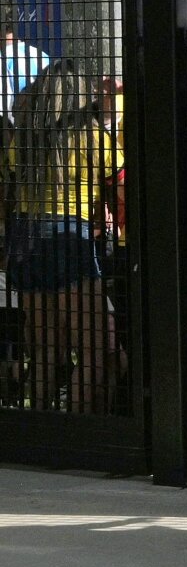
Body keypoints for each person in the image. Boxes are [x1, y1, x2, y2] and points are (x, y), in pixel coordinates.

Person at [4, 62, 123, 412]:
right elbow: (121, 181)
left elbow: (11, 178)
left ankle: (40, 419)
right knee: (93, 348)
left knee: (44, 348)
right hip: (71, 235)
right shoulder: (91, 135)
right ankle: (79, 420)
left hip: (25, 237)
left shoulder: (25, 136)